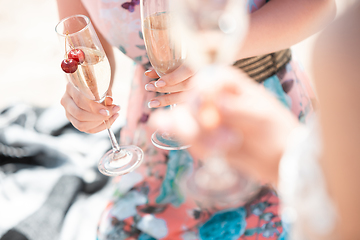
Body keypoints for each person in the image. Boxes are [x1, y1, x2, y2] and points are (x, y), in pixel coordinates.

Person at [56, 0, 336, 239]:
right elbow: (85, 47)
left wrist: (213, 56)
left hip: (259, 115)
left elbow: (318, 5)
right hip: (152, 135)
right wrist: (82, 95)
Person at [158, 1, 360, 239]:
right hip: (154, 132)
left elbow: (345, 220)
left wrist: (284, 159)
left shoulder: (348, 45)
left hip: (263, 101)